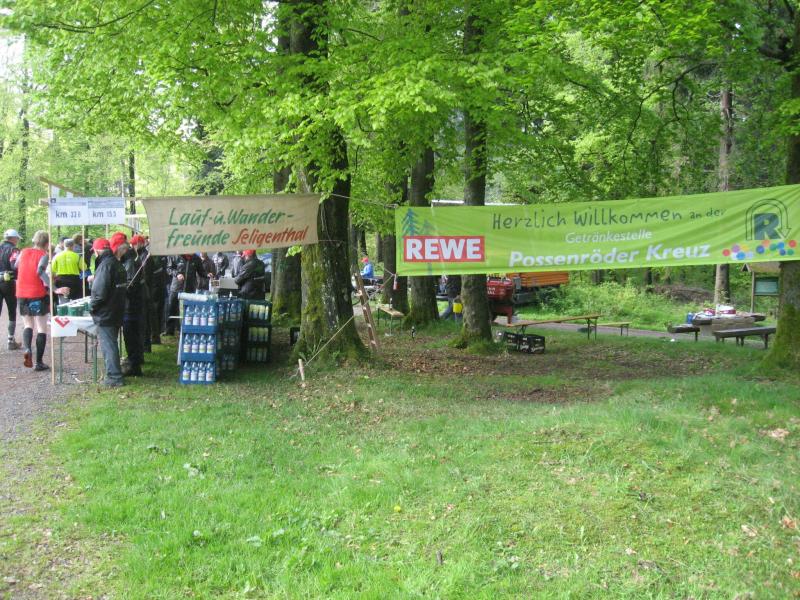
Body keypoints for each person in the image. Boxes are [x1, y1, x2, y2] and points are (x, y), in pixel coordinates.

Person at [89, 238, 127, 387]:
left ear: (97, 251)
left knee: (108, 344)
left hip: (106, 311)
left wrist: (92, 307)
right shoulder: (117, 263)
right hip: (116, 309)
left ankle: (114, 377)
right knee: (111, 343)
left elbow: (99, 292)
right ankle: (114, 374)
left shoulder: (105, 265)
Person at [15, 230, 51, 371]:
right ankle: (39, 362)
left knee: (28, 324)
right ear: (47, 243)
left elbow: (16, 265)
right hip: (37, 293)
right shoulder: (44, 256)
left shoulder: (23, 252)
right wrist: (53, 287)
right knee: (41, 327)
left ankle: (28, 349)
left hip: (22, 292)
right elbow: (41, 273)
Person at [112, 232, 145, 377]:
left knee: (131, 336)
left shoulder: (130, 262)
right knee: (132, 335)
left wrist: (117, 290)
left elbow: (130, 285)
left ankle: (134, 365)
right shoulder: (129, 260)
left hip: (131, 306)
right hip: (131, 304)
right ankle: (135, 361)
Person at [164, 253, 206, 336]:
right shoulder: (175, 255)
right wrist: (177, 274)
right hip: (176, 287)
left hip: (190, 288)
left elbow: (201, 272)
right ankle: (169, 331)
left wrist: (208, 275)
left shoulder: (196, 258)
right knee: (171, 308)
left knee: (189, 310)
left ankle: (187, 330)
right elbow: (169, 268)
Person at [0, 229, 22, 350]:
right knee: (12, 310)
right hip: (8, 282)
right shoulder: (14, 250)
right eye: (17, 238)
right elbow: (15, 266)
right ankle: (10, 340)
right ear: (13, 238)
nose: (17, 240)